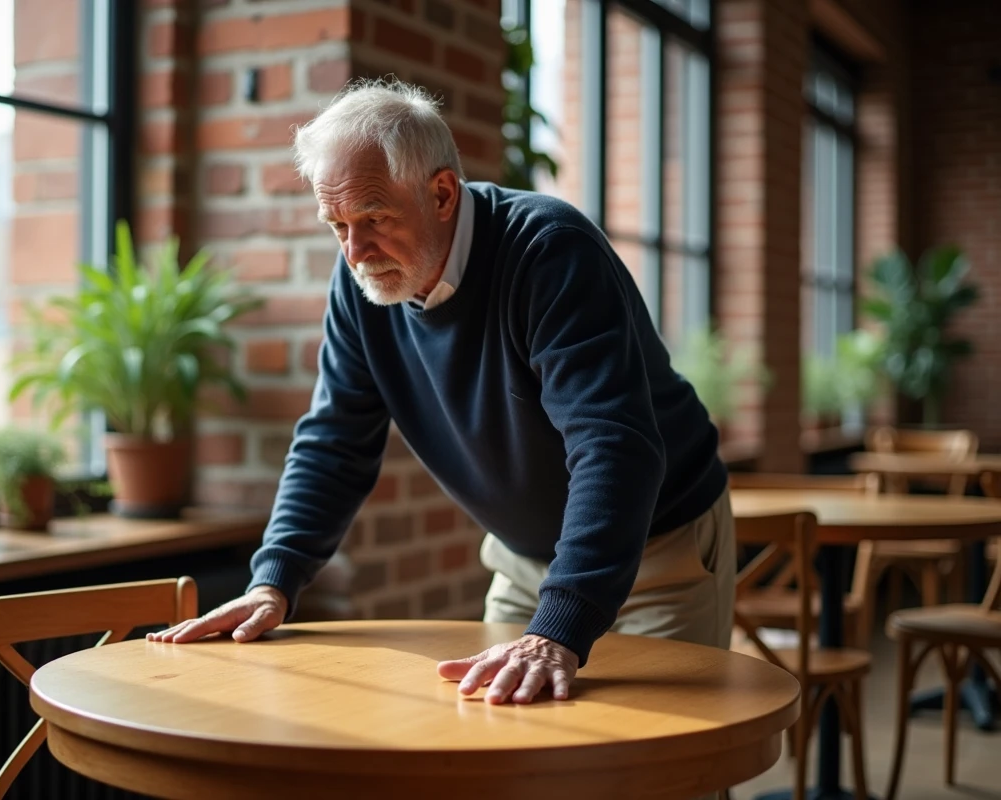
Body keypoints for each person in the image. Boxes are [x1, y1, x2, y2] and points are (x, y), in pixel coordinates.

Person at [149, 78, 735, 706]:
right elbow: (333, 442)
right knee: (507, 755)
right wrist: (275, 580)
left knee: (661, 771)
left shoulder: (547, 252)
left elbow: (612, 445)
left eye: (373, 218)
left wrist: (560, 624)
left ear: (442, 193)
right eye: (336, 225)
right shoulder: (362, 287)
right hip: (524, 561)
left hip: (659, 552)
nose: (354, 253)